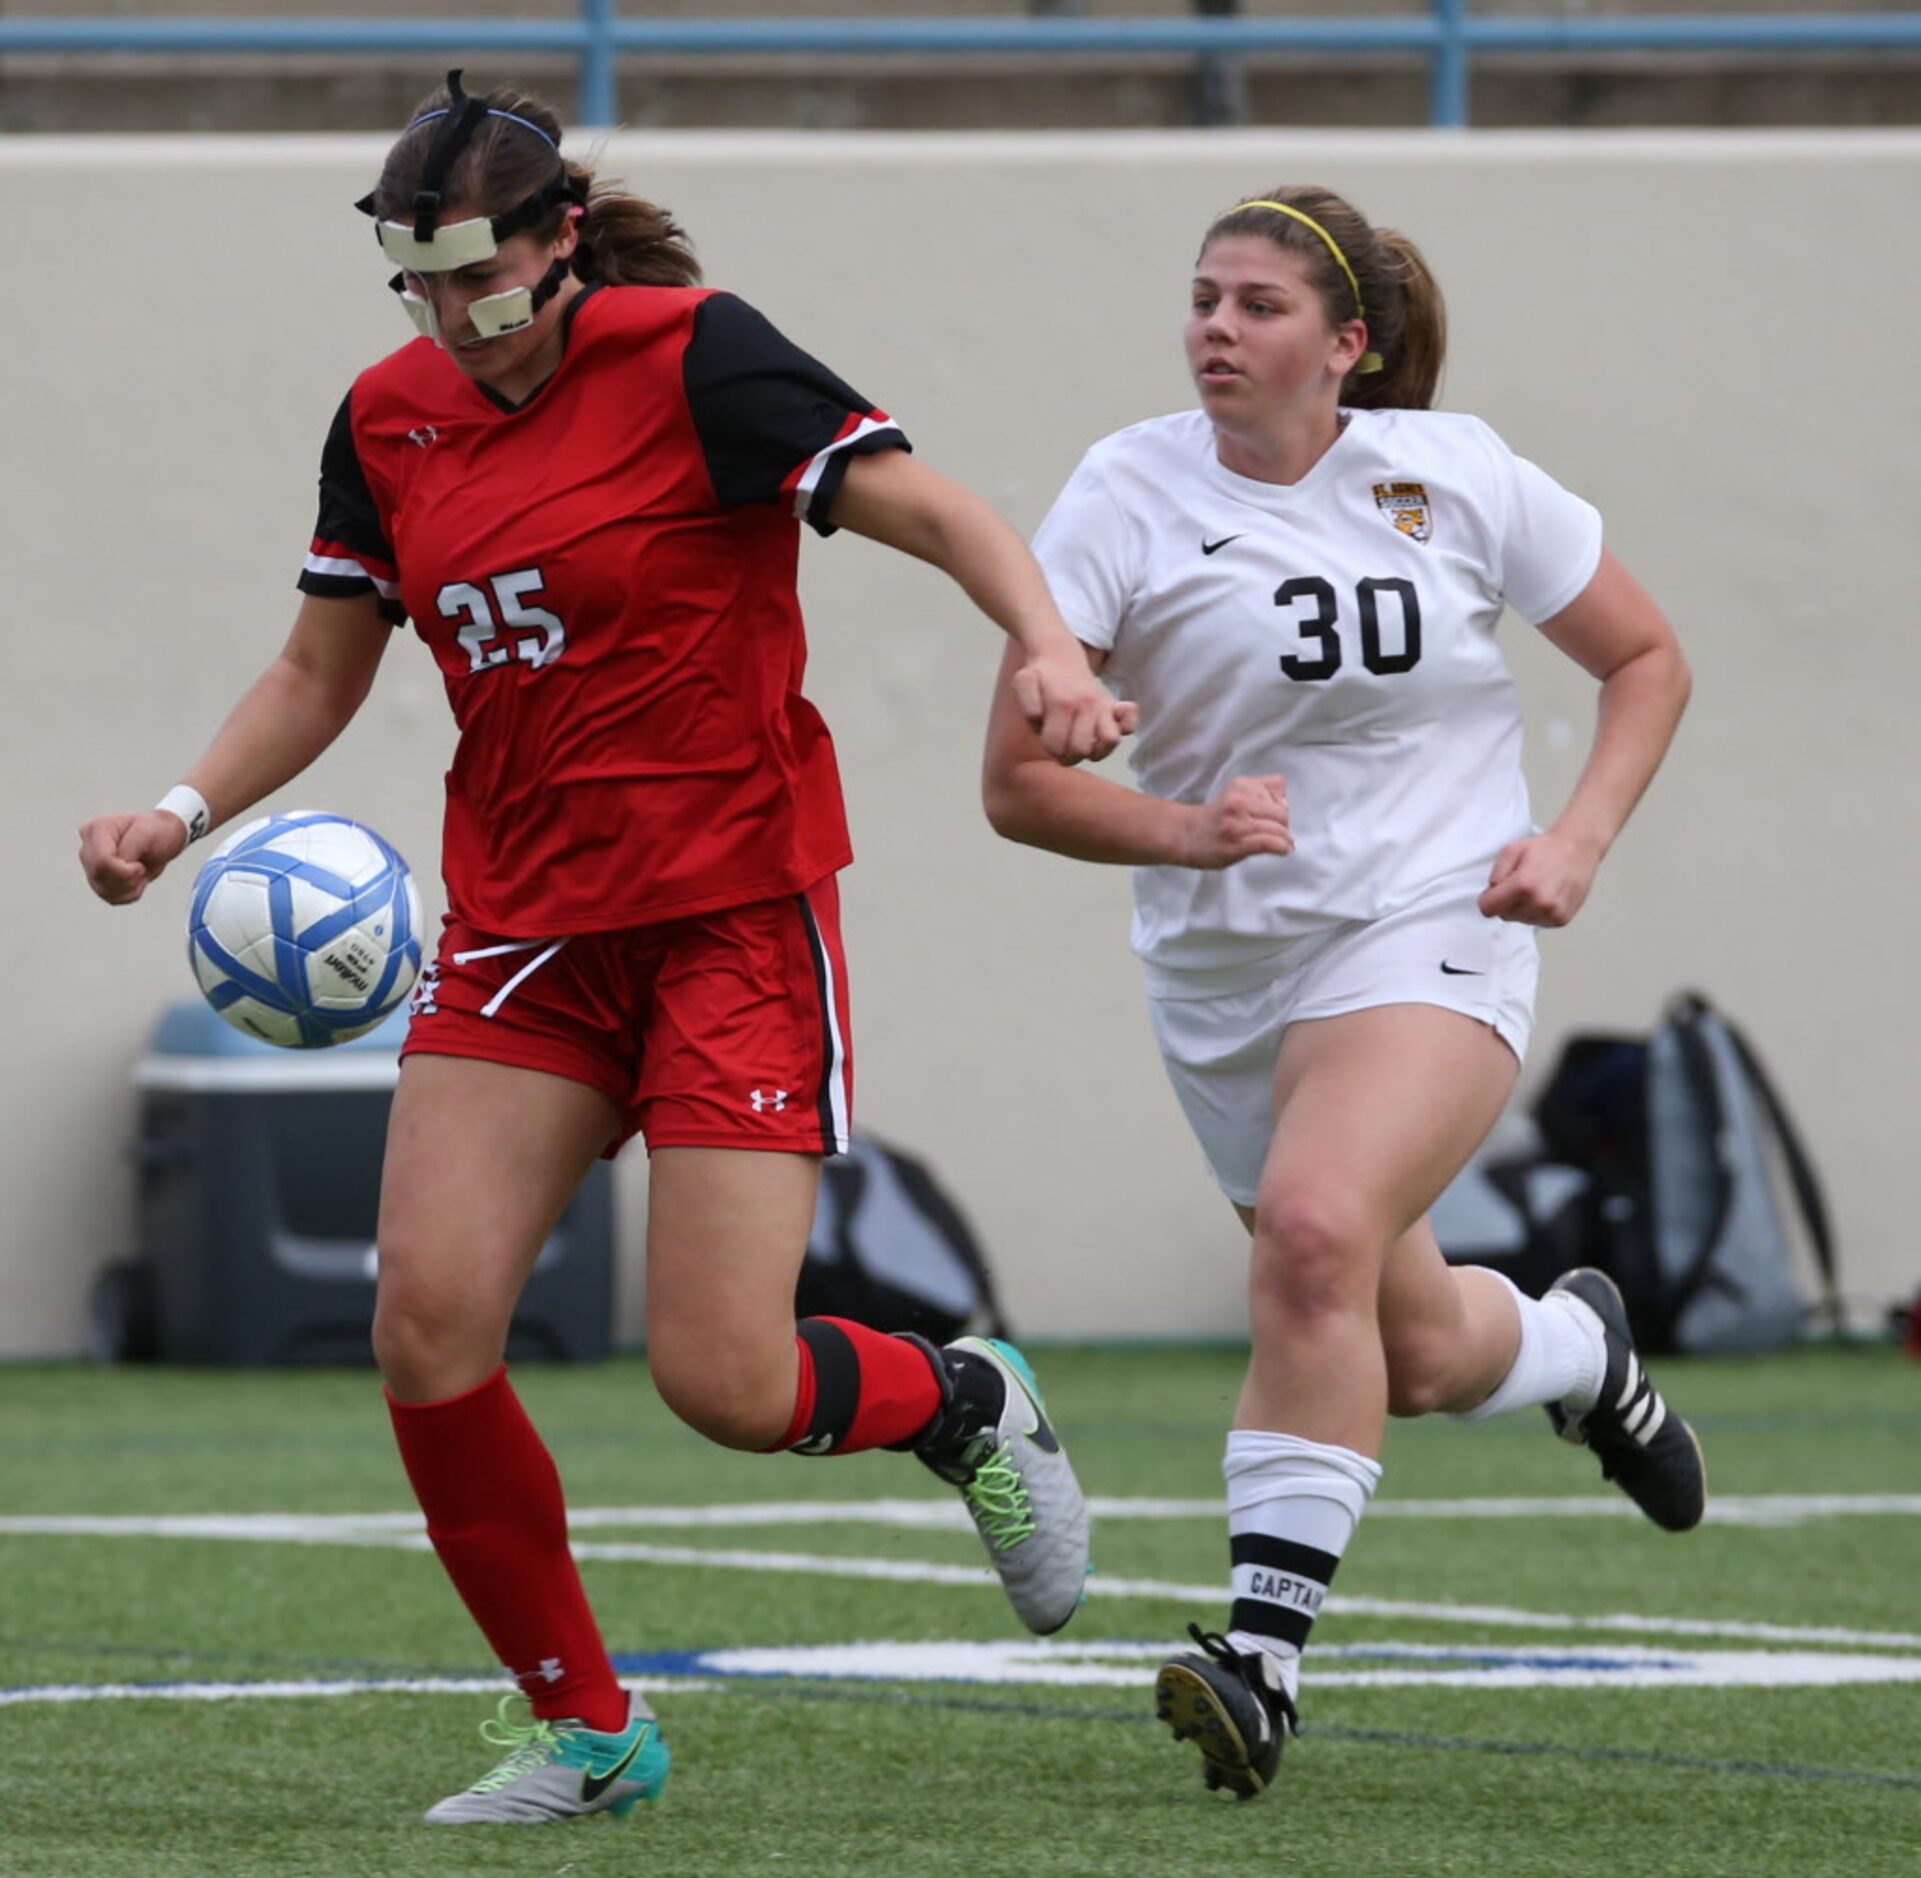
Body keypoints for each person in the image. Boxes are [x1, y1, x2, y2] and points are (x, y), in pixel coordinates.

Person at [78, 73, 1127, 1826]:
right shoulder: (388, 417)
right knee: (423, 1322)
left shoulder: (699, 354)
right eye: (417, 285)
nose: (450, 318)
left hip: (730, 910)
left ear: (562, 241)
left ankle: (959, 1399)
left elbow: (932, 507)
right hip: (521, 927)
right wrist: (178, 814)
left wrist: (1046, 648)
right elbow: (321, 670)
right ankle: (587, 1728)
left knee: (723, 1380)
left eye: (479, 279)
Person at [981, 186, 1702, 1800]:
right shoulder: (1123, 488)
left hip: (1430, 922)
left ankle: (1259, 1657)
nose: (1214, 331)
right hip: (1227, 972)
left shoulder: (1453, 475)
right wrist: (1179, 822)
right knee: (1419, 1346)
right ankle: (1578, 1353)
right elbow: (1014, 790)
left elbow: (1643, 658)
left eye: (1256, 306)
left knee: (1311, 1228)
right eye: (1201, 299)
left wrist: (1573, 839)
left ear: (1347, 346)